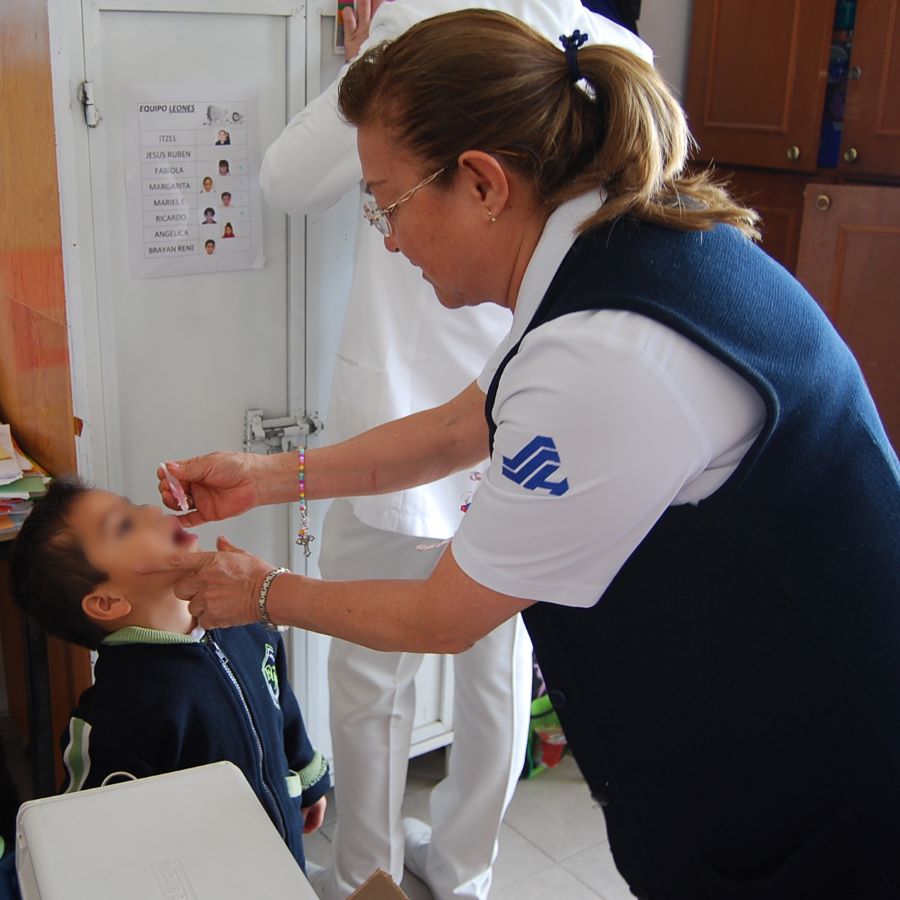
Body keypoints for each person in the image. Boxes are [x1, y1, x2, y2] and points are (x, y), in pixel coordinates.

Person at [153, 11, 900, 900]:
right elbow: (458, 428)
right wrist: (268, 475)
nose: (386, 237)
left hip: (825, 776)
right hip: (768, 728)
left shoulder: (605, 353)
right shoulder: (604, 248)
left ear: (481, 184)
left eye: (387, 203)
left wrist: (262, 594)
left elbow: (445, 616)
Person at [258, 2, 650, 898]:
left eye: (387, 202)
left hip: (432, 397)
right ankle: (468, 873)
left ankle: (367, 874)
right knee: (500, 657)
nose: (387, 227)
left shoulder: (412, 28)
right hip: (511, 411)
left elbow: (285, 178)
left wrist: (370, 63)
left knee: (373, 676)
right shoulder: (608, 47)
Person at [9, 476, 330, 876]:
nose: (149, 511)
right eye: (124, 525)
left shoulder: (241, 618)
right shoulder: (121, 710)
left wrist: (307, 776)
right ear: (107, 602)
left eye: (132, 504)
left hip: (283, 852)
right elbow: (89, 830)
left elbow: (279, 702)